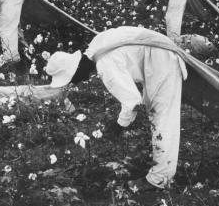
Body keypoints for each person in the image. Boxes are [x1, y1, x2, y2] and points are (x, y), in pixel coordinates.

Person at [45, 26, 188, 192]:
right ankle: (158, 160)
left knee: (162, 117)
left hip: (162, 57)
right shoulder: (95, 46)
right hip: (158, 52)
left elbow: (133, 102)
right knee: (154, 111)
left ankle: (159, 179)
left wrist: (119, 126)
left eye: (72, 79)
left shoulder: (105, 64)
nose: (76, 83)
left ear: (76, 69)